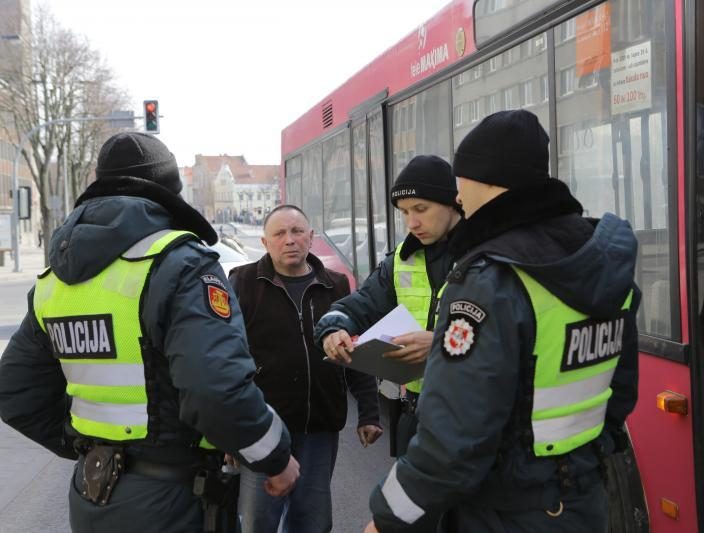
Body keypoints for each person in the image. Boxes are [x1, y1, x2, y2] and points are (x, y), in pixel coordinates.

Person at [0, 132, 300, 533]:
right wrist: (275, 457)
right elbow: (217, 391)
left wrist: (95, 449)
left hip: (92, 494)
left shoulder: (54, 281)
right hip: (174, 500)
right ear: (169, 192)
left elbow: (14, 392)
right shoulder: (182, 265)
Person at [365, 109, 641, 532]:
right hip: (582, 501)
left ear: (489, 183)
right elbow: (619, 395)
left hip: (504, 512)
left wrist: (387, 519)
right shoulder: (600, 262)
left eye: (461, 184)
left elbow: (452, 440)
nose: (458, 198)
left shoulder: (489, 277)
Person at [229, 204, 382, 533]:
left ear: (311, 238)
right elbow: (227, 361)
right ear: (265, 241)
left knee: (312, 523)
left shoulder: (336, 286)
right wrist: (230, 435)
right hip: (262, 431)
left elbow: (357, 352)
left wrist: (369, 412)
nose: (289, 240)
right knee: (258, 524)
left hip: (318, 429)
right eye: (280, 233)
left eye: (297, 231)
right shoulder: (242, 283)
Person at [315, 155, 462, 459]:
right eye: (404, 213)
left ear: (452, 202)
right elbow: (360, 304)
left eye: (421, 209)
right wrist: (334, 329)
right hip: (416, 415)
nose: (412, 223)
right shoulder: (400, 261)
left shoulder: (487, 254)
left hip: (471, 417)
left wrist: (439, 342)